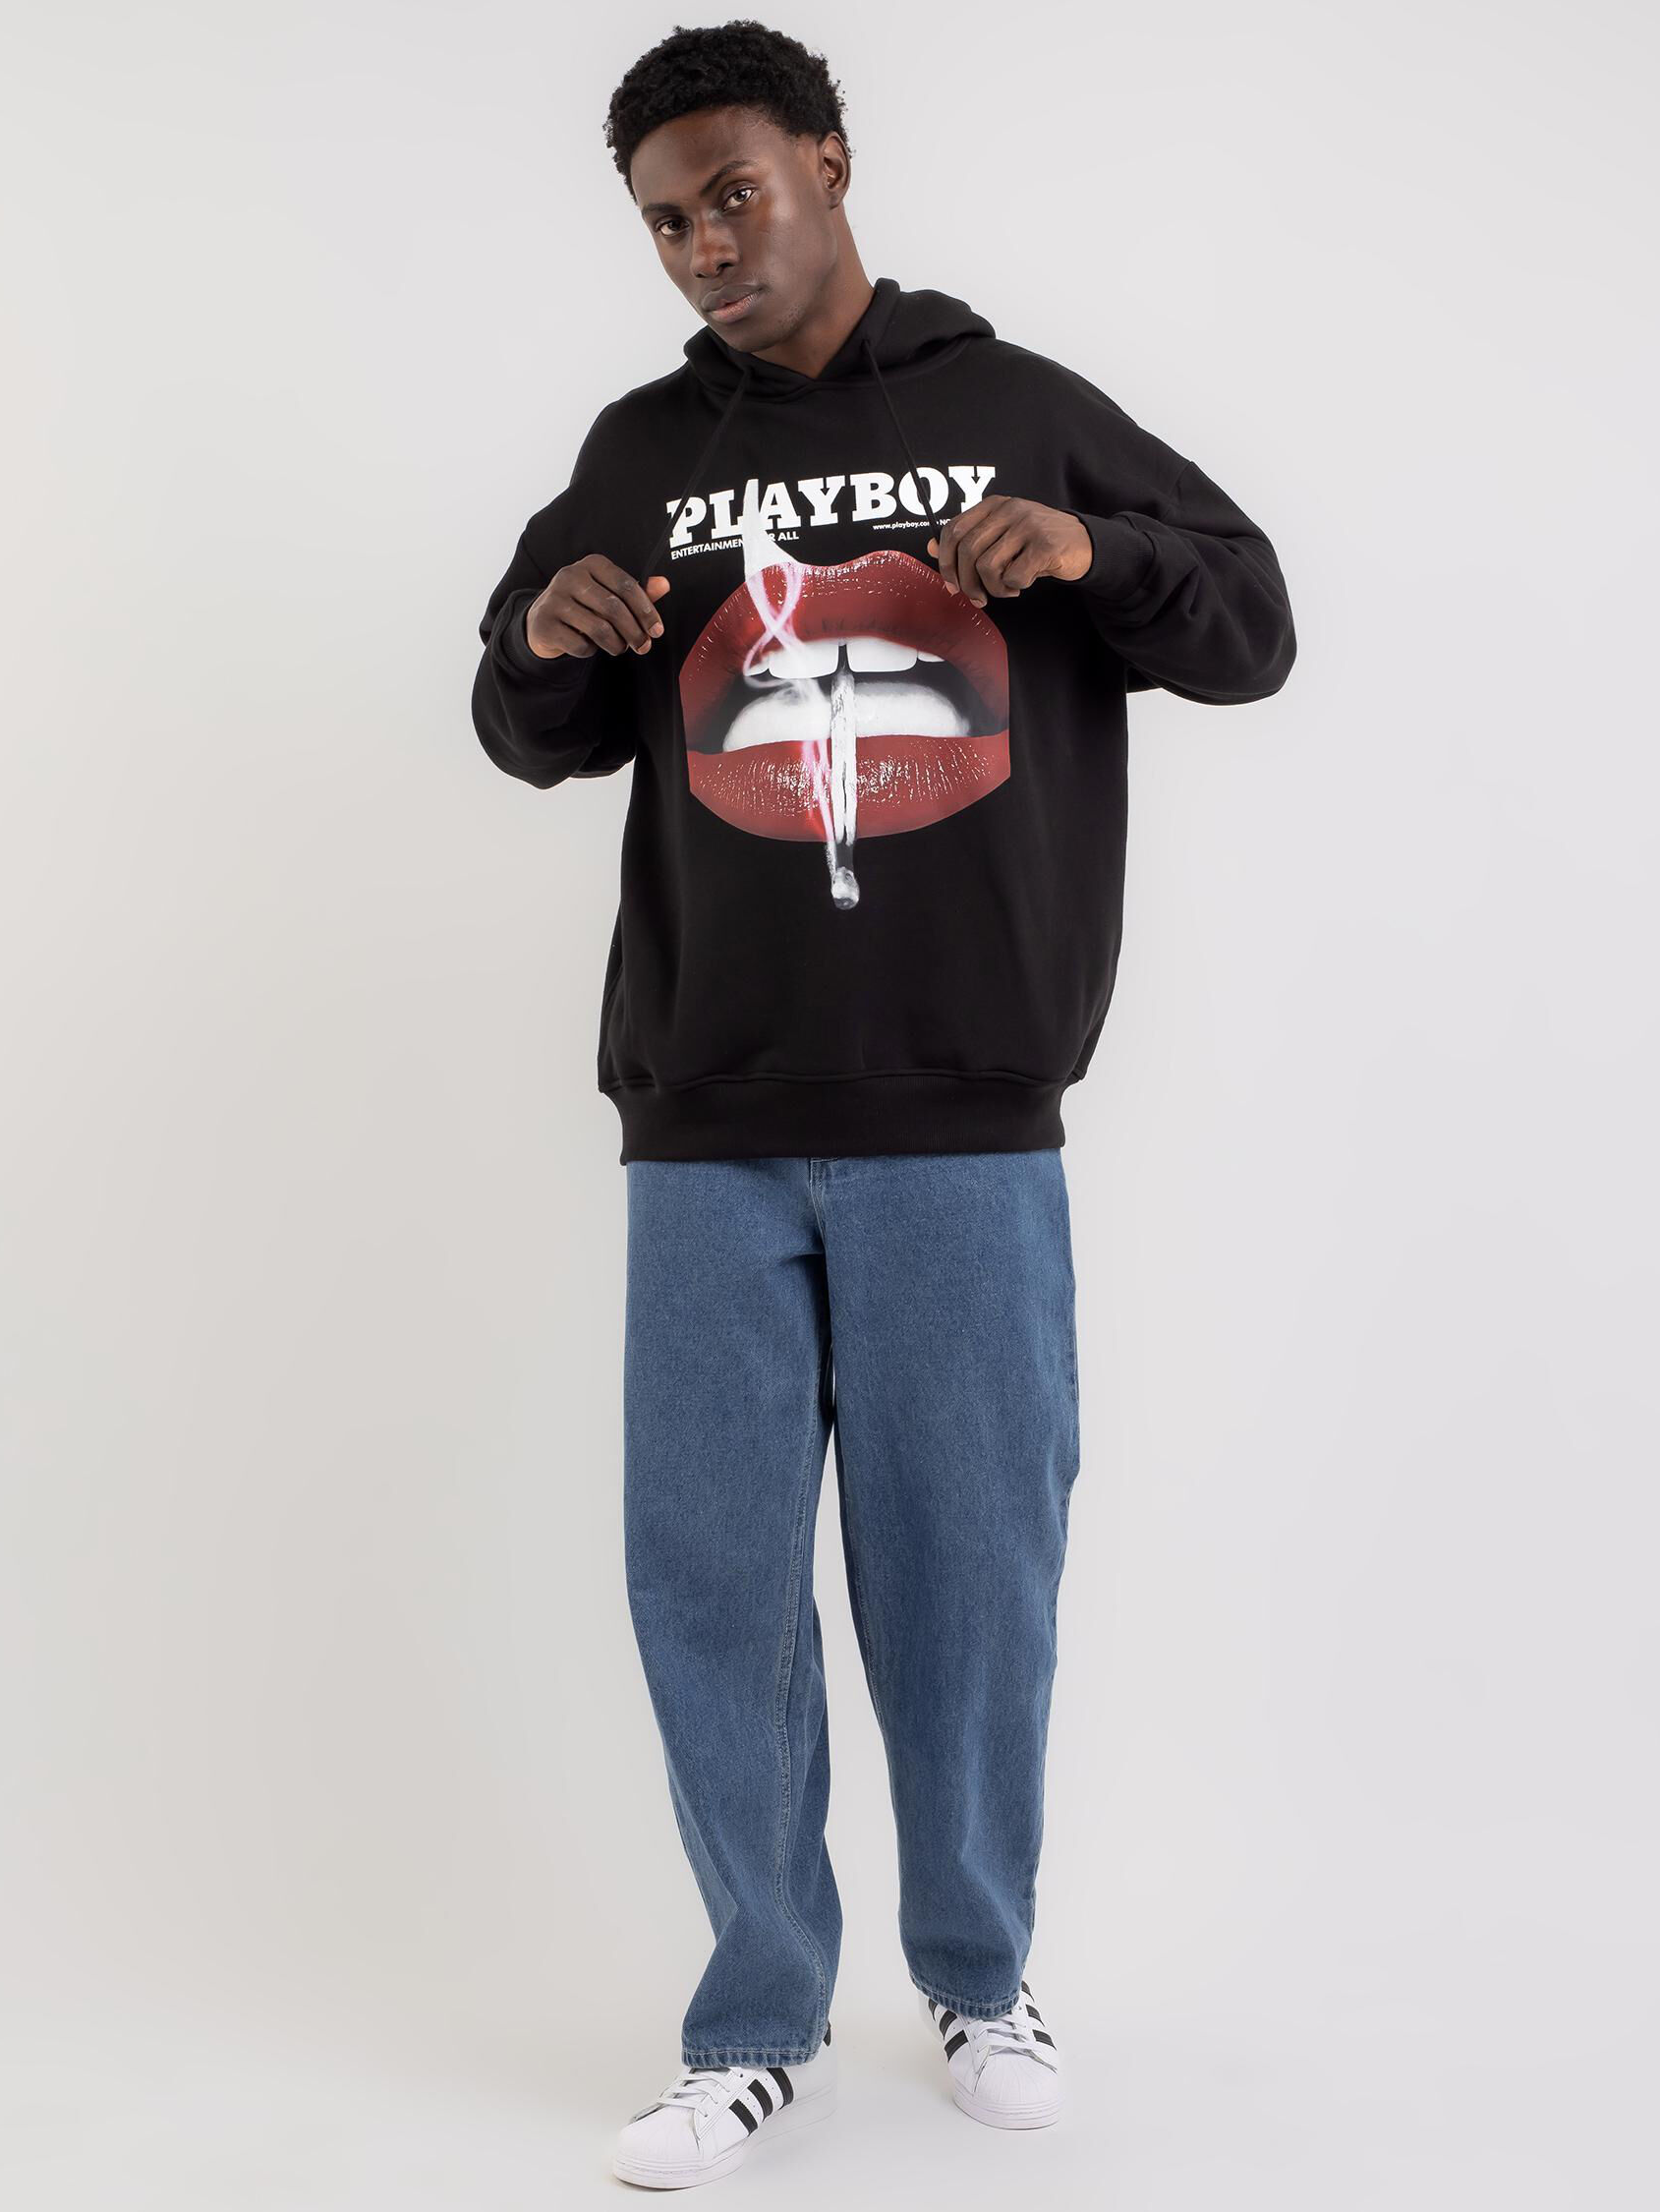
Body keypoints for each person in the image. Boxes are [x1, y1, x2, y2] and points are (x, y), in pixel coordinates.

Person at [470, 20, 1295, 2190]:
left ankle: (980, 1973)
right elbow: (525, 720)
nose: (703, 246)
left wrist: (1090, 556)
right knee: (711, 1592)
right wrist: (547, 635)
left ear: (829, 162)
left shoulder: (1017, 406)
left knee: (969, 1582)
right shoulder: (644, 448)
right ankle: (756, 2020)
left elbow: (1252, 627)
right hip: (708, 1114)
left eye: (733, 192)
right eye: (665, 221)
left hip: (963, 1110)